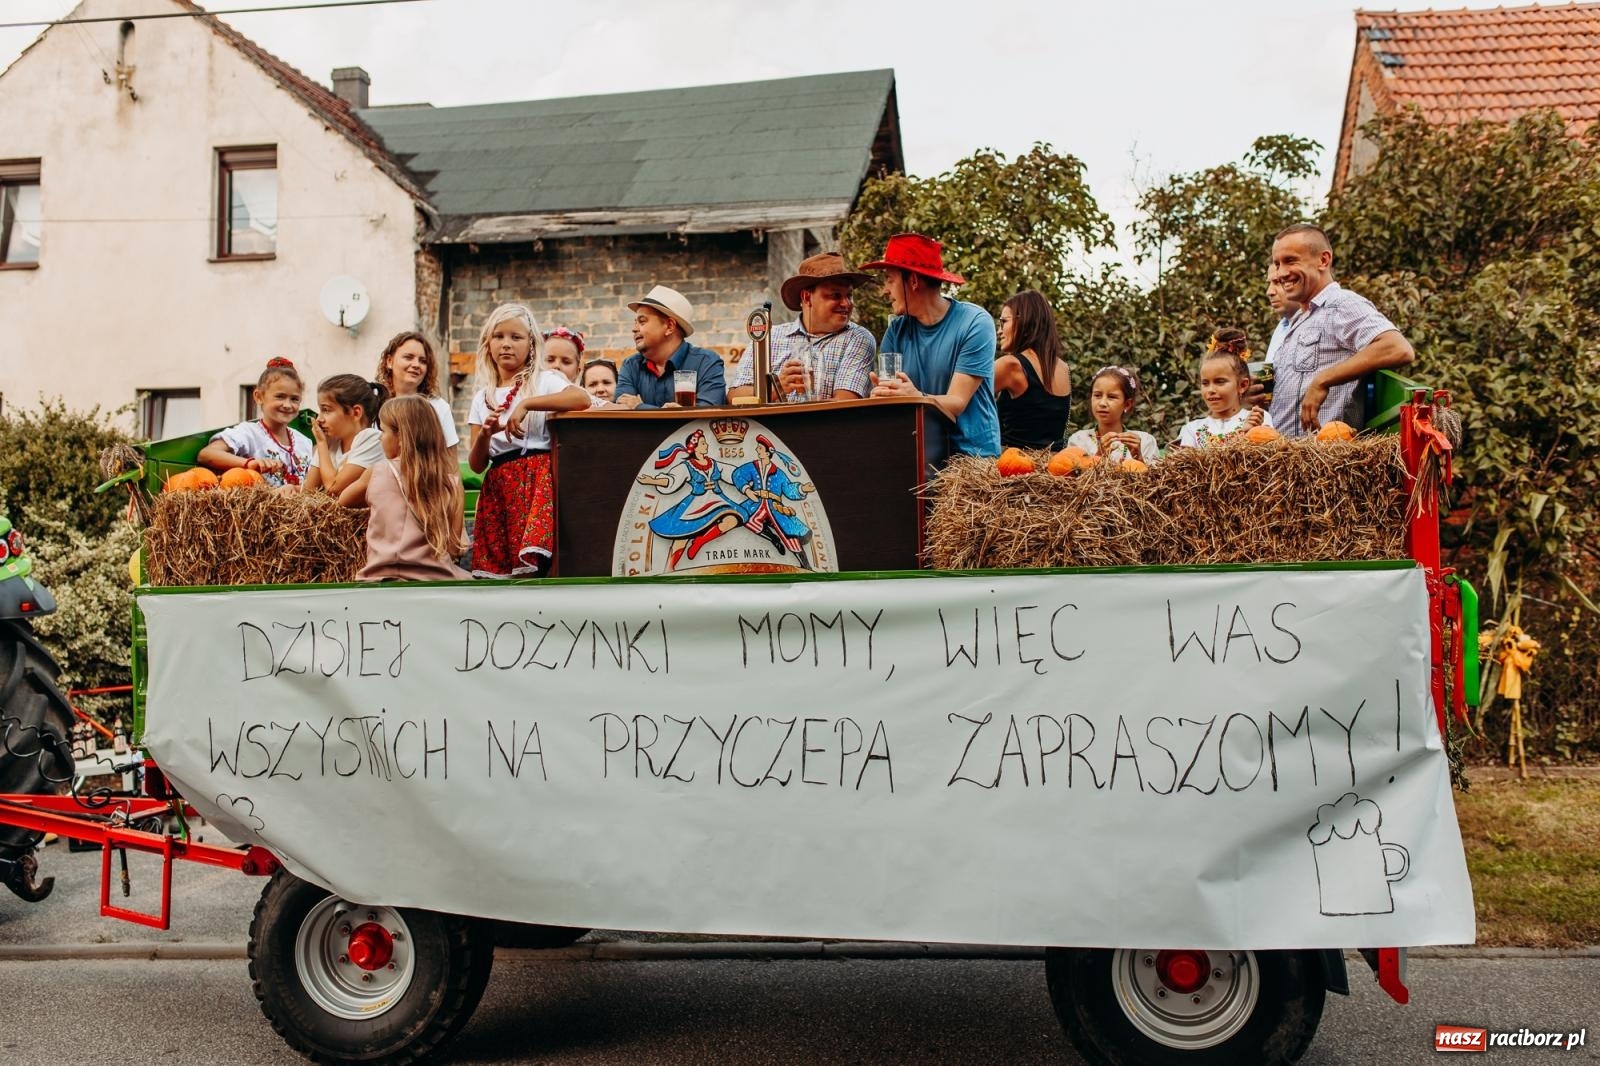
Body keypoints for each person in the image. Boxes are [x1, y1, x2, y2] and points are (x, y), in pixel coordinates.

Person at [466, 303, 591, 577]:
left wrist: (528, 404)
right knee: (500, 569)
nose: (506, 344)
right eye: (498, 336)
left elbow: (582, 398)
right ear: (488, 343)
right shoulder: (481, 398)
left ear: (532, 344)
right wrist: (485, 436)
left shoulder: (545, 381)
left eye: (516, 337)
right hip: (498, 484)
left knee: (535, 567)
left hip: (535, 481)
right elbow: (476, 465)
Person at [1268, 223, 1414, 434]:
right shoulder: (1299, 318)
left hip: (1324, 459)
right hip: (1288, 459)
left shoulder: (1341, 304)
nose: (1282, 273)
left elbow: (1397, 348)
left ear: (1323, 260)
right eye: (1277, 263)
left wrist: (1323, 380)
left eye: (1290, 260)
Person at [864, 233, 1000, 459]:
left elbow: (957, 402)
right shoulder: (896, 330)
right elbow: (891, 398)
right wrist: (881, 397)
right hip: (919, 460)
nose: (884, 290)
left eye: (889, 279)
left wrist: (916, 397)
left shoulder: (975, 323)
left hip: (971, 461)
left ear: (914, 281)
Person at [340, 395, 470, 581]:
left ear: (400, 437)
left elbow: (343, 500)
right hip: (435, 578)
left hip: (381, 575)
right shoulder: (452, 484)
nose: (380, 439)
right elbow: (454, 549)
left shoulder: (376, 472)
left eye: (383, 432)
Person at [727, 252, 876, 402]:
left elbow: (844, 404)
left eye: (849, 295)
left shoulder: (857, 338)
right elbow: (734, 398)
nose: (846, 303)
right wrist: (777, 388)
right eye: (835, 295)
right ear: (806, 297)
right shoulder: (769, 337)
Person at [635, 429, 745, 571]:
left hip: (717, 500)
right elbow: (672, 480)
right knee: (682, 535)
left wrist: (750, 478)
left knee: (732, 519)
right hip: (696, 504)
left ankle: (700, 541)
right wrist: (653, 481)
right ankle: (669, 569)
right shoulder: (687, 466)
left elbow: (734, 474)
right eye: (703, 443)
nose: (706, 445)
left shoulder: (715, 464)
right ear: (695, 448)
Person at [198, 357, 312, 488]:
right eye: (280, 396)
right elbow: (206, 455)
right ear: (259, 397)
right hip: (262, 506)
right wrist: (249, 463)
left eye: (294, 399)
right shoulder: (248, 433)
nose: (287, 405)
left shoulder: (305, 442)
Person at [614, 286, 727, 409]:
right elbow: (623, 412)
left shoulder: (706, 362)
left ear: (669, 326)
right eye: (635, 322)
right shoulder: (631, 365)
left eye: (642, 321)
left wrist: (640, 407)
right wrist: (672, 414)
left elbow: (706, 415)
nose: (634, 328)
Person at [995, 290, 1071, 450]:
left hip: (1014, 466)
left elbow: (967, 399)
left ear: (1025, 321)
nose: (999, 331)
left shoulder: (1010, 365)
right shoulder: (1064, 368)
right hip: (1053, 467)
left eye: (1004, 322)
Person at [731, 435, 816, 568]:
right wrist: (747, 490)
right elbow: (737, 474)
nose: (757, 450)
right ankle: (773, 539)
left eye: (759, 448)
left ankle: (805, 564)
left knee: (788, 534)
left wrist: (802, 488)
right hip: (756, 503)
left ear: (767, 453)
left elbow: (788, 489)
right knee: (746, 518)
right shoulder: (752, 466)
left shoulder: (779, 473)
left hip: (775, 507)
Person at [1176, 330, 1271, 448]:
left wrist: (1252, 433)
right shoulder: (1191, 429)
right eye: (1205, 383)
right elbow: (1187, 465)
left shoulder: (1258, 418)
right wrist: (1243, 435)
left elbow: (1269, 459)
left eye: (1219, 382)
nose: (1210, 389)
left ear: (1242, 385)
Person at [305, 375, 386, 496]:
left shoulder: (372, 439)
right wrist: (324, 444)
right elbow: (308, 492)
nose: (319, 419)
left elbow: (334, 488)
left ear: (356, 412)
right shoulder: (331, 441)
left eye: (326, 410)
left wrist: (322, 444)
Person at [375, 331, 458, 450]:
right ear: (389, 361)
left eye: (423, 361)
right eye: (408, 357)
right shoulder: (373, 404)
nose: (416, 365)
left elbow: (451, 463)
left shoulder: (438, 407)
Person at [1066, 366, 1159, 463]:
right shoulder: (1079, 440)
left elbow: (1156, 477)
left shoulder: (1144, 441)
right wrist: (1099, 456)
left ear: (1127, 404)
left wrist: (1138, 459)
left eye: (1111, 397)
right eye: (1097, 395)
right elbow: (1071, 474)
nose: (1102, 403)